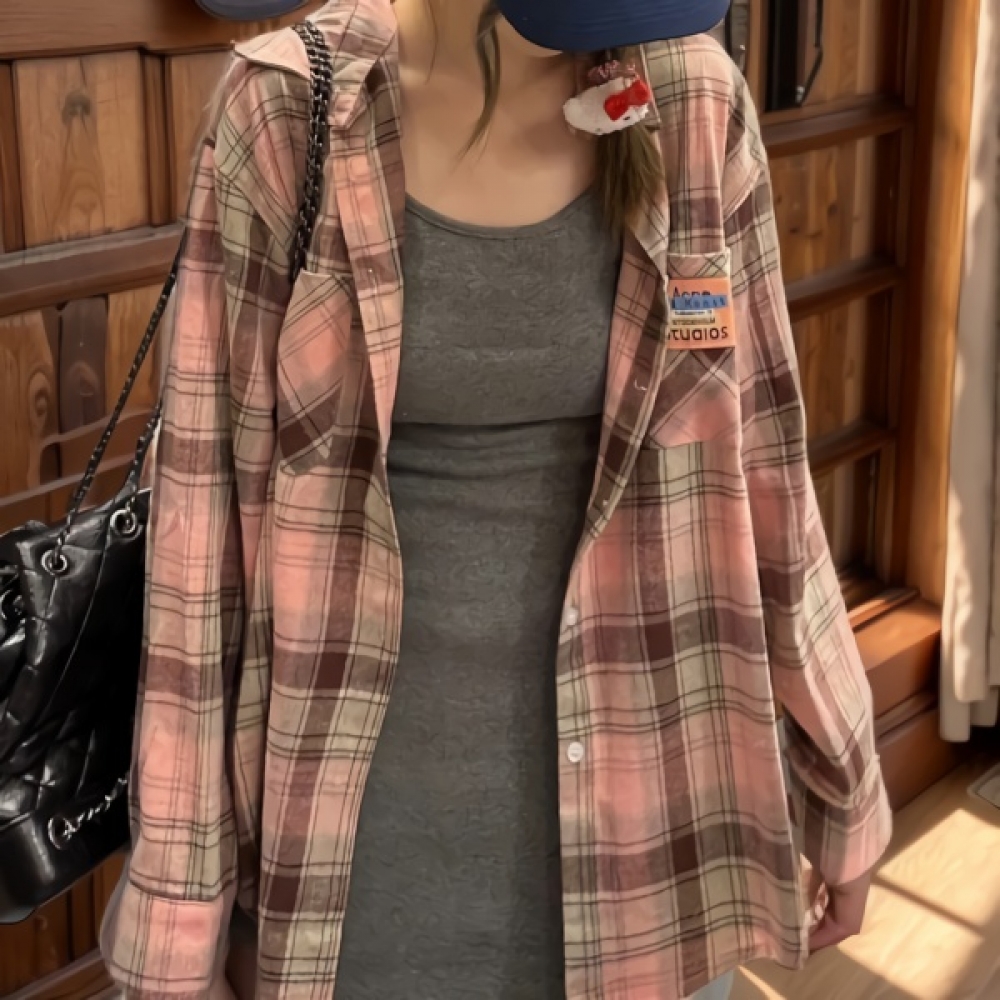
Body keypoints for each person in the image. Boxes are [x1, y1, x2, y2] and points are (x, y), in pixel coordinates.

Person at [100, 1, 893, 998]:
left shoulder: (692, 102)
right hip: (356, 868)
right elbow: (197, 550)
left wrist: (843, 779)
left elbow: (763, 464)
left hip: (657, 844)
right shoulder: (289, 114)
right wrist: (177, 934)